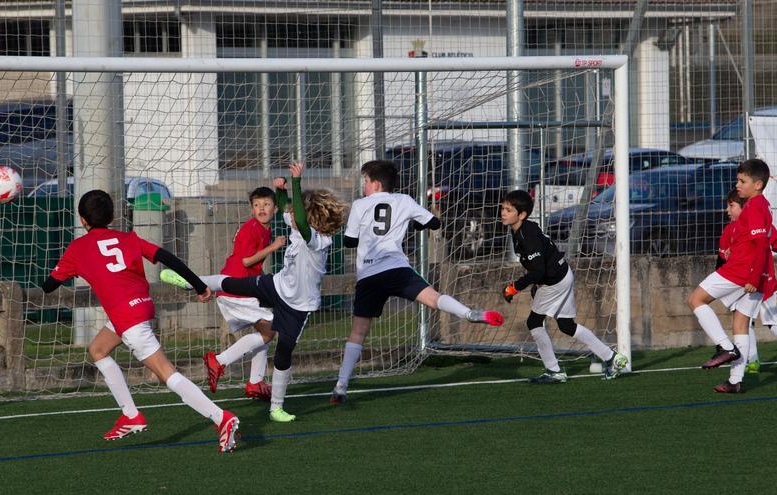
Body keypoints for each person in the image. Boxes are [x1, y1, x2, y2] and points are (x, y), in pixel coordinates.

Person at [42, 190, 239, 454]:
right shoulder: (128, 238)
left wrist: (55, 273)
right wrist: (199, 285)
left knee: (165, 373)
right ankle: (131, 415)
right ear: (112, 216)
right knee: (98, 349)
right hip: (141, 308)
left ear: (81, 219)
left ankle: (221, 418)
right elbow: (168, 258)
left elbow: (49, 286)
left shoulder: (77, 249)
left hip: (128, 318)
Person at [163, 162, 347, 422]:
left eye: (295, 211)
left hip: (299, 305)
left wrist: (296, 182)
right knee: (231, 283)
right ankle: (190, 280)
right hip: (277, 286)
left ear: (310, 217)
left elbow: (302, 222)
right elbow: (287, 211)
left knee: (283, 353)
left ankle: (276, 407)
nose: (289, 214)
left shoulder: (316, 239)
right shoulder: (295, 225)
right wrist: (281, 191)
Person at [330, 160, 504, 404]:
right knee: (432, 299)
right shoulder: (404, 200)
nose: (364, 186)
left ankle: (340, 386)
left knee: (358, 332)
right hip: (397, 268)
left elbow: (349, 242)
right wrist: (408, 223)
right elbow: (434, 223)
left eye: (366, 182)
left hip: (369, 275)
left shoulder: (360, 205)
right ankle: (469, 313)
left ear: (376, 183)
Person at [165, 186, 286, 400]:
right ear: (251, 209)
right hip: (238, 289)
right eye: (256, 205)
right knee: (269, 331)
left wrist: (281, 188)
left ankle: (256, 383)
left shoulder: (263, 227)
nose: (261, 209)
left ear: (274, 209)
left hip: (241, 286)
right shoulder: (252, 229)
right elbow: (246, 261)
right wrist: (273, 247)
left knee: (264, 332)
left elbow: (285, 208)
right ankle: (219, 361)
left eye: (266, 204)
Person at [500, 190, 628, 383]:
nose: (503, 212)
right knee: (567, 326)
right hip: (562, 275)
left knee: (534, 322)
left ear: (522, 215)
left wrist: (514, 287)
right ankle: (612, 357)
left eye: (509, 210)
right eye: (503, 208)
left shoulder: (527, 235)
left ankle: (554, 371)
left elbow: (538, 270)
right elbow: (539, 265)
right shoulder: (520, 230)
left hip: (554, 282)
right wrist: (535, 284)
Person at [687, 158, 774, 393]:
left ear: (757, 185)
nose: (737, 185)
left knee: (695, 299)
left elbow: (759, 245)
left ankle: (725, 347)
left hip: (742, 271)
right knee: (741, 324)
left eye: (742, 181)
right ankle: (736, 381)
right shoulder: (762, 205)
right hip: (754, 273)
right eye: (737, 180)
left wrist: (753, 277)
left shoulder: (754, 207)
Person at [716, 189, 777, 374]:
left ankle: (758, 361)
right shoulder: (729, 231)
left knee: (750, 321)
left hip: (758, 282)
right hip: (750, 283)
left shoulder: (753, 225)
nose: (727, 210)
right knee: (766, 321)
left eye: (731, 206)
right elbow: (722, 260)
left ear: (745, 208)